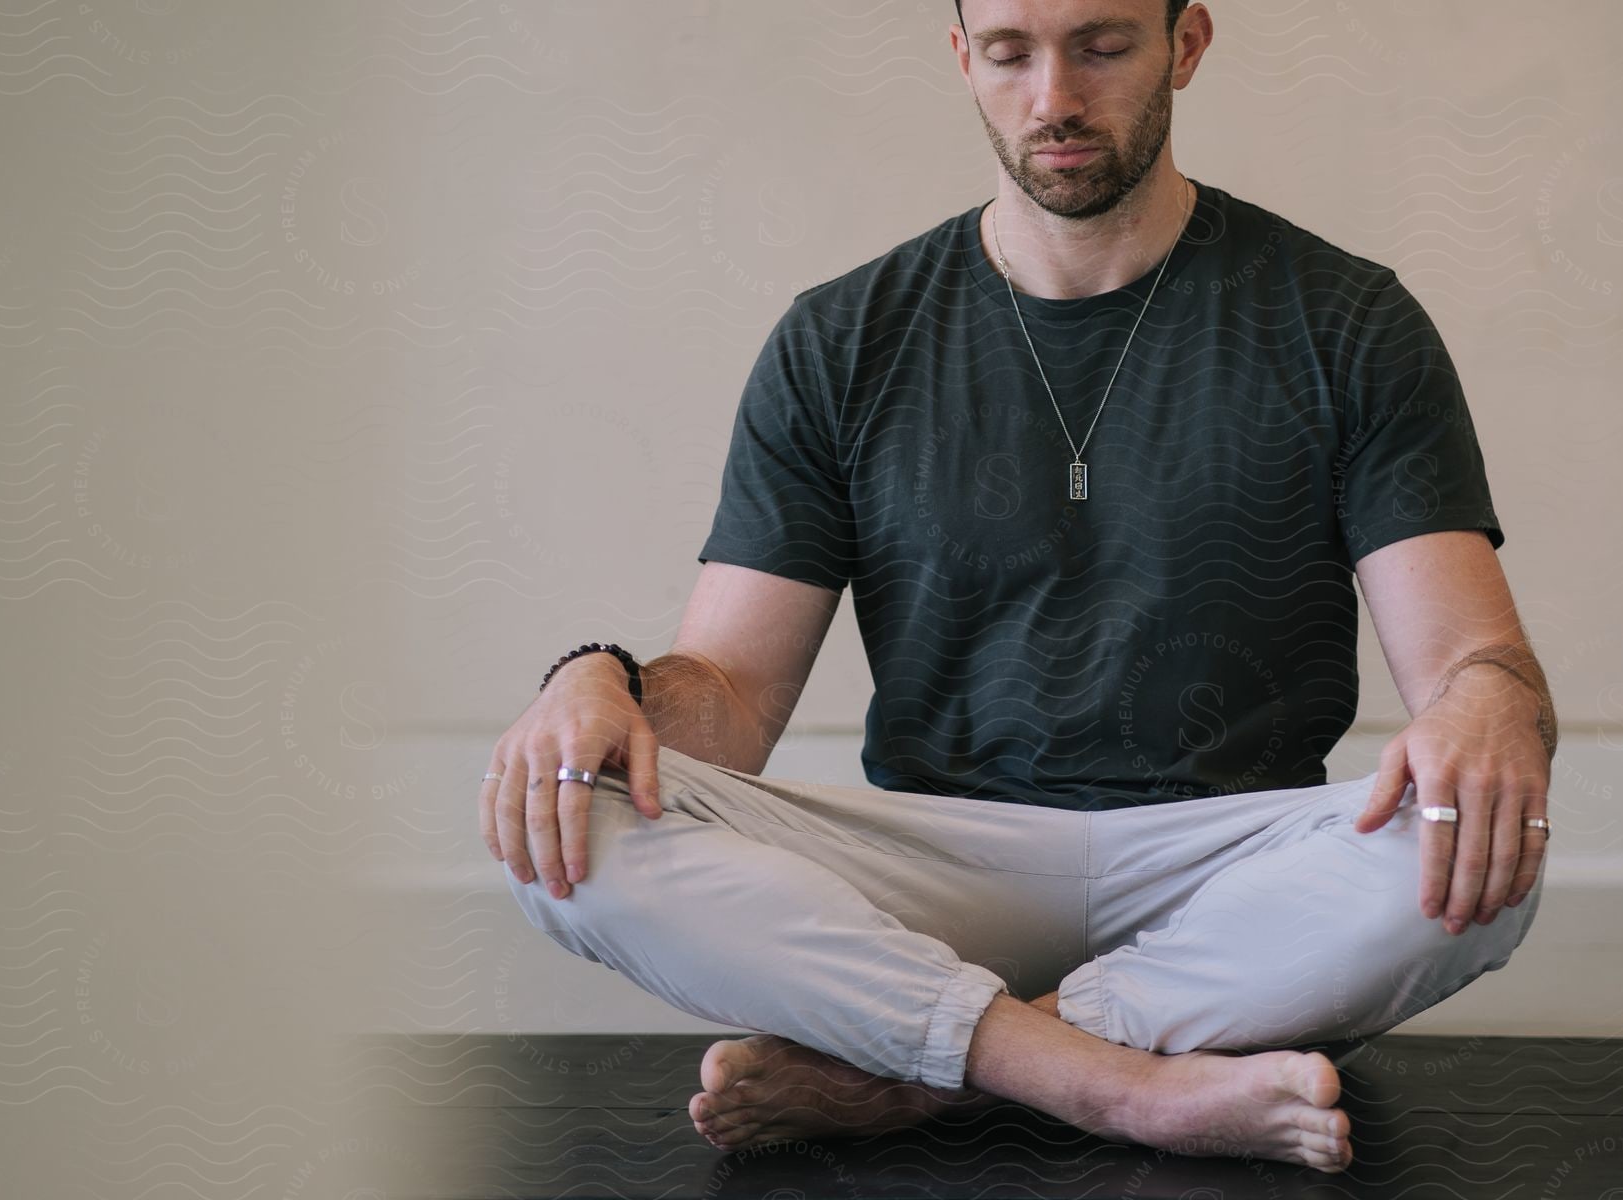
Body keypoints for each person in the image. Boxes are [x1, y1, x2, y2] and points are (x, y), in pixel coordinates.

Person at [480, 0, 1558, 1176]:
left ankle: (919, 1078)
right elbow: (728, 704)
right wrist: (598, 680)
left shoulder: (1347, 321)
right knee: (571, 814)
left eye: (1101, 45)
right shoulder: (840, 339)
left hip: (1225, 869)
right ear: (964, 59)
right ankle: (1123, 1087)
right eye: (1010, 52)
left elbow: (1470, 663)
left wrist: (1489, 704)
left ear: (1185, 45)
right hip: (938, 871)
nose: (1053, 97)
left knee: (1486, 855)